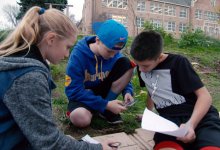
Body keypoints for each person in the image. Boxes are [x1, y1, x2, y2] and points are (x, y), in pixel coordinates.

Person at [0, 6, 117, 150]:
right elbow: (49, 144)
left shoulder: (20, 63)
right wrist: (98, 148)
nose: (67, 54)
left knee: (66, 139)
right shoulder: (28, 77)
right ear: (51, 39)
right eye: (68, 47)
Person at [130, 31, 220, 150]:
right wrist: (149, 114)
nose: (141, 70)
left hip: (200, 117)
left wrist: (191, 124)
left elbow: (205, 97)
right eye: (138, 64)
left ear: (159, 57)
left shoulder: (178, 63)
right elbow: (152, 91)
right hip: (168, 123)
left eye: (145, 66)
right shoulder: (143, 67)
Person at [65, 19, 135, 128]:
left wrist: (127, 91)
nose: (112, 56)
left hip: (103, 93)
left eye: (117, 52)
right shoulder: (78, 56)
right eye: (109, 51)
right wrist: (105, 104)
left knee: (127, 64)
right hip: (83, 96)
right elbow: (72, 91)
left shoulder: (114, 53)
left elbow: (123, 75)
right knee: (80, 118)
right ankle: (102, 108)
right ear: (98, 40)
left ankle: (105, 110)